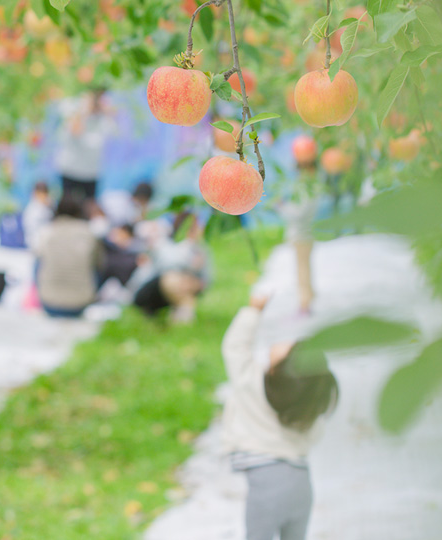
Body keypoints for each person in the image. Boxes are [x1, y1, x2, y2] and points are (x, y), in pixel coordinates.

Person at [221, 294, 339, 540]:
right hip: (301, 485)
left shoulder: (250, 384)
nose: (288, 341)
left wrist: (253, 311)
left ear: (276, 370)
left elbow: (234, 347)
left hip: (267, 485)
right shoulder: (307, 406)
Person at [131, 211, 212, 323]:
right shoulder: (165, 243)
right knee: (173, 278)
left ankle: (182, 315)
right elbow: (167, 266)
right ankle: (182, 315)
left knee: (186, 283)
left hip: (182, 286)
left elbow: (207, 277)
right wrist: (191, 267)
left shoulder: (200, 249)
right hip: (150, 289)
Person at [33, 194, 102, 318]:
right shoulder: (89, 233)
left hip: (49, 302)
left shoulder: (47, 231)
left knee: (39, 260)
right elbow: (100, 267)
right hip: (80, 304)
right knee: (95, 263)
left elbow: (36, 268)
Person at [54, 88, 116, 203]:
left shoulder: (103, 117)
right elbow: (67, 134)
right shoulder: (74, 107)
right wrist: (82, 114)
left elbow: (102, 140)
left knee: (89, 208)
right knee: (67, 207)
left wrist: (105, 113)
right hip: (70, 169)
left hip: (90, 173)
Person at [276, 157, 321, 314]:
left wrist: (281, 206)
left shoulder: (308, 188)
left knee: (302, 270)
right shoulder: (311, 186)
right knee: (304, 267)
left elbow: (298, 213)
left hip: (302, 234)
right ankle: (308, 297)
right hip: (304, 234)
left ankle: (305, 302)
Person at [22, 181, 54, 248]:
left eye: (45, 194)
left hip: (47, 242)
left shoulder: (49, 206)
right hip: (35, 243)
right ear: (36, 193)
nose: (43, 196)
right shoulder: (32, 209)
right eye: (41, 194)